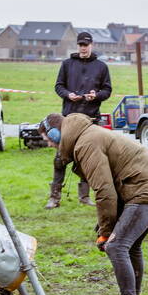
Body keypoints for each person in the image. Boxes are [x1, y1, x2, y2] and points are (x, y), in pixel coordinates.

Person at [50, 113, 148, 295]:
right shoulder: (87, 136)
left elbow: (104, 191)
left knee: (116, 247)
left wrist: (107, 232)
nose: (49, 144)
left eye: (48, 139)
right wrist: (105, 225)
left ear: (56, 134)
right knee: (129, 247)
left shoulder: (86, 143)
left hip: (146, 189)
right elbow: (113, 186)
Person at [47, 31, 112, 209]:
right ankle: (54, 197)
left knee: (88, 158)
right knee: (60, 158)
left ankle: (84, 197)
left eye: (86, 45)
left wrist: (96, 95)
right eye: (81, 45)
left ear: (91, 45)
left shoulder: (101, 67)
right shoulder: (67, 64)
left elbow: (107, 91)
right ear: (77, 46)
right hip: (69, 118)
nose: (83, 48)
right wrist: (69, 95)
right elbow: (58, 86)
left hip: (91, 119)